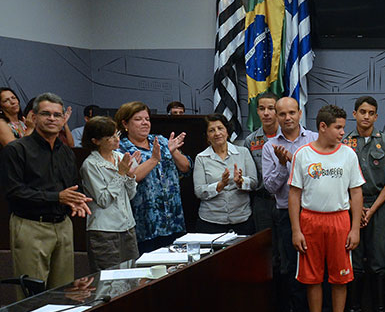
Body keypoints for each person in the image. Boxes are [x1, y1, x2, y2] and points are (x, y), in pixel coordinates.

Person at [1, 93, 91, 297]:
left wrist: (76, 202)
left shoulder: (66, 152)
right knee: (32, 293)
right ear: (33, 117)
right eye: (46, 114)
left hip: (63, 225)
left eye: (57, 115)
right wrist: (57, 197)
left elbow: (72, 187)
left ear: (63, 119)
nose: (52, 119)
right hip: (31, 226)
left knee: (64, 291)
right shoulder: (17, 150)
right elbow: (14, 191)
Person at [290, 105, 364, 312]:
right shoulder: (303, 154)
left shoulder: (348, 155)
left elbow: (356, 193)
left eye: (343, 127)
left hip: (339, 221)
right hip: (310, 221)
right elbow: (294, 194)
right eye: (338, 127)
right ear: (323, 127)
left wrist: (354, 229)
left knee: (340, 278)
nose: (343, 132)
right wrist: (296, 230)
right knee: (312, 278)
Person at [342, 96, 385, 312]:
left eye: (371, 112)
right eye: (362, 112)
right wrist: (356, 208)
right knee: (353, 261)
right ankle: (353, 311)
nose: (366, 116)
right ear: (354, 114)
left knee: (377, 262)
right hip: (349, 205)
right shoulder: (344, 142)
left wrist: (371, 210)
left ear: (376, 116)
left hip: (379, 206)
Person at [262, 97, 318, 312]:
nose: (287, 118)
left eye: (291, 113)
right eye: (282, 114)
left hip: (315, 210)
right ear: (276, 115)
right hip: (286, 213)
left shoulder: (316, 139)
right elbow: (270, 187)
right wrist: (283, 165)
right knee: (291, 266)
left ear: (300, 113)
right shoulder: (269, 147)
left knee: (318, 263)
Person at [116, 101, 191, 252]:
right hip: (146, 224)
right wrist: (154, 160)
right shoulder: (120, 148)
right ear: (125, 123)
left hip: (173, 219)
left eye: (147, 119)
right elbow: (132, 178)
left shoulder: (161, 141)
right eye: (138, 119)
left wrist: (174, 152)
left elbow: (186, 168)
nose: (145, 123)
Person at [80, 116, 141, 271]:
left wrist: (130, 176)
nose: (116, 140)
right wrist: (120, 174)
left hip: (127, 227)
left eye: (117, 134)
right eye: (110, 137)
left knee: (131, 275)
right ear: (96, 141)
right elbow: (103, 200)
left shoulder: (120, 157)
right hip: (104, 231)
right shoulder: (90, 165)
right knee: (108, 280)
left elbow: (130, 194)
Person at [240, 92, 280, 307]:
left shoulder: (289, 136)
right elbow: (251, 177)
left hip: (285, 201)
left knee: (287, 251)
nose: (266, 113)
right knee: (266, 253)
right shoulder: (251, 140)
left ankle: (291, 306)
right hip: (262, 202)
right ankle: (271, 305)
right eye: (262, 108)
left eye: (271, 108)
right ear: (257, 111)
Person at [193, 113, 257, 234]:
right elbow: (199, 191)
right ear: (207, 136)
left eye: (220, 128)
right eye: (211, 130)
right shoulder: (201, 158)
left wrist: (241, 182)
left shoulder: (243, 153)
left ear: (227, 132)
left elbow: (254, 183)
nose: (217, 133)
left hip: (242, 220)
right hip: (211, 222)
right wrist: (219, 185)